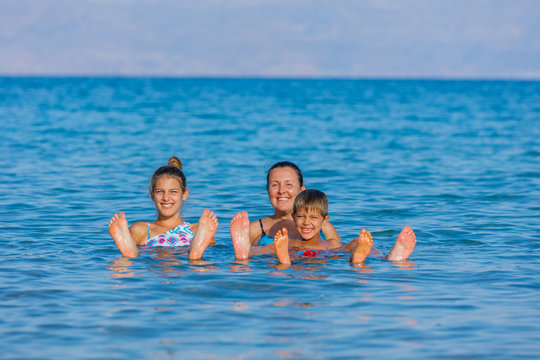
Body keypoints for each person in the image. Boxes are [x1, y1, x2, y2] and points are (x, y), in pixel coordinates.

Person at [232, 189, 416, 265]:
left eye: (313, 218)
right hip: (300, 254)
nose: (306, 222)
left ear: (324, 220)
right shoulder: (287, 242)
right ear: (294, 217)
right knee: (273, 249)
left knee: (353, 244)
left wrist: (354, 249)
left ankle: (390, 256)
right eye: (301, 217)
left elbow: (339, 249)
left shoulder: (331, 243)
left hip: (321, 255)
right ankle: (245, 250)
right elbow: (261, 252)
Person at [108, 156, 218, 259]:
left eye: (173, 192)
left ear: (184, 194)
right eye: (160, 192)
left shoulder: (198, 230)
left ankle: (195, 253)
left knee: (199, 260)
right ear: (152, 195)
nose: (166, 198)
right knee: (125, 261)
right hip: (184, 264)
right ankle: (130, 252)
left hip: (159, 264)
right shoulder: (140, 230)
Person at [248, 161, 341, 247]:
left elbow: (340, 255)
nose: (281, 191)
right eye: (275, 185)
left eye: (288, 185)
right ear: (267, 189)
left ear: (302, 190)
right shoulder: (255, 229)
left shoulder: (323, 226)